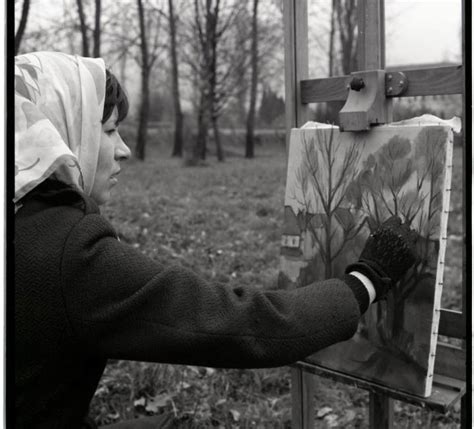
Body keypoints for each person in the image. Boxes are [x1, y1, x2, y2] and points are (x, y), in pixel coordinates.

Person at [14, 52, 418, 429]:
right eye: (109, 130)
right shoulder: (65, 251)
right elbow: (238, 323)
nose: (124, 150)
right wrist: (365, 281)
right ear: (63, 132)